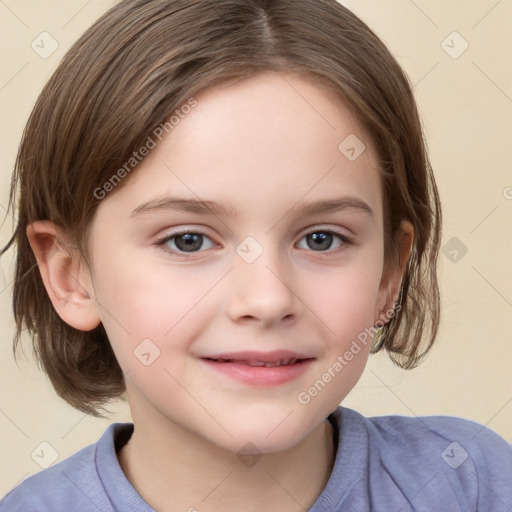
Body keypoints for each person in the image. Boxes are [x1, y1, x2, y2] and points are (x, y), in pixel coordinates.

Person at [1, 0, 511, 510]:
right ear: (71, 275)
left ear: (388, 275)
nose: (267, 300)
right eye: (188, 240)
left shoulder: (472, 484)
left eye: (321, 239)